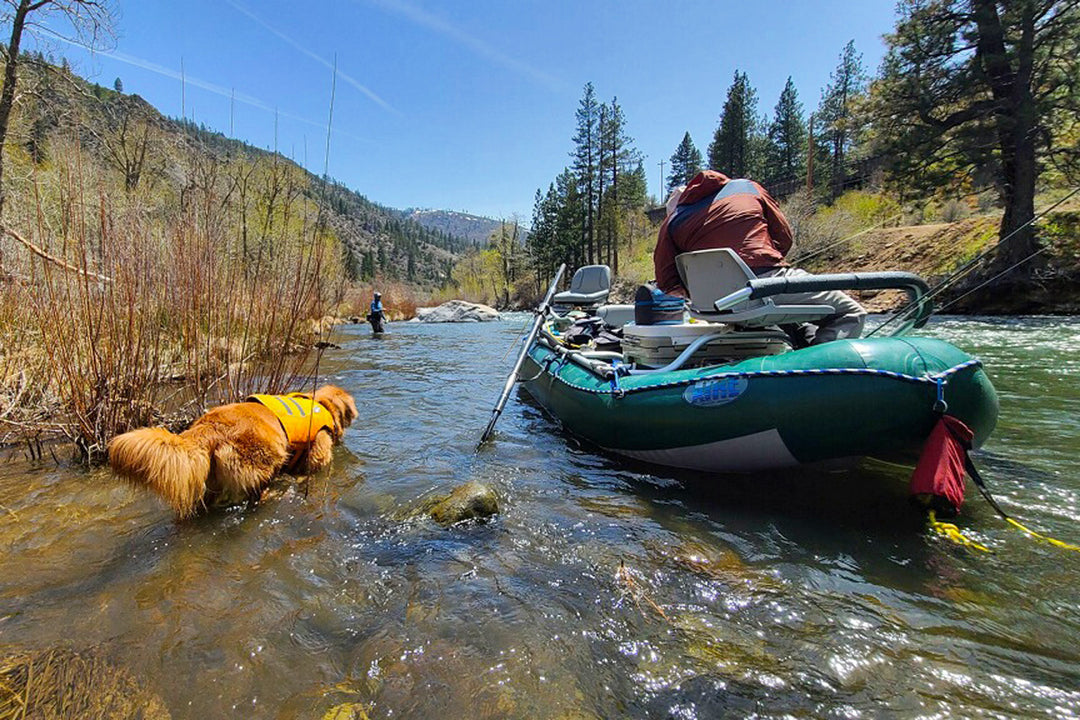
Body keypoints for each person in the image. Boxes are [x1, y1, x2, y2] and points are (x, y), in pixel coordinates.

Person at [654, 170, 865, 345]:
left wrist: (706, 290)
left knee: (783, 308)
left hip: (712, 306)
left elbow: (666, 281)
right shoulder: (748, 188)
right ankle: (818, 369)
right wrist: (764, 258)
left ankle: (803, 351)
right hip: (763, 285)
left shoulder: (673, 219)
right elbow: (784, 238)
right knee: (852, 312)